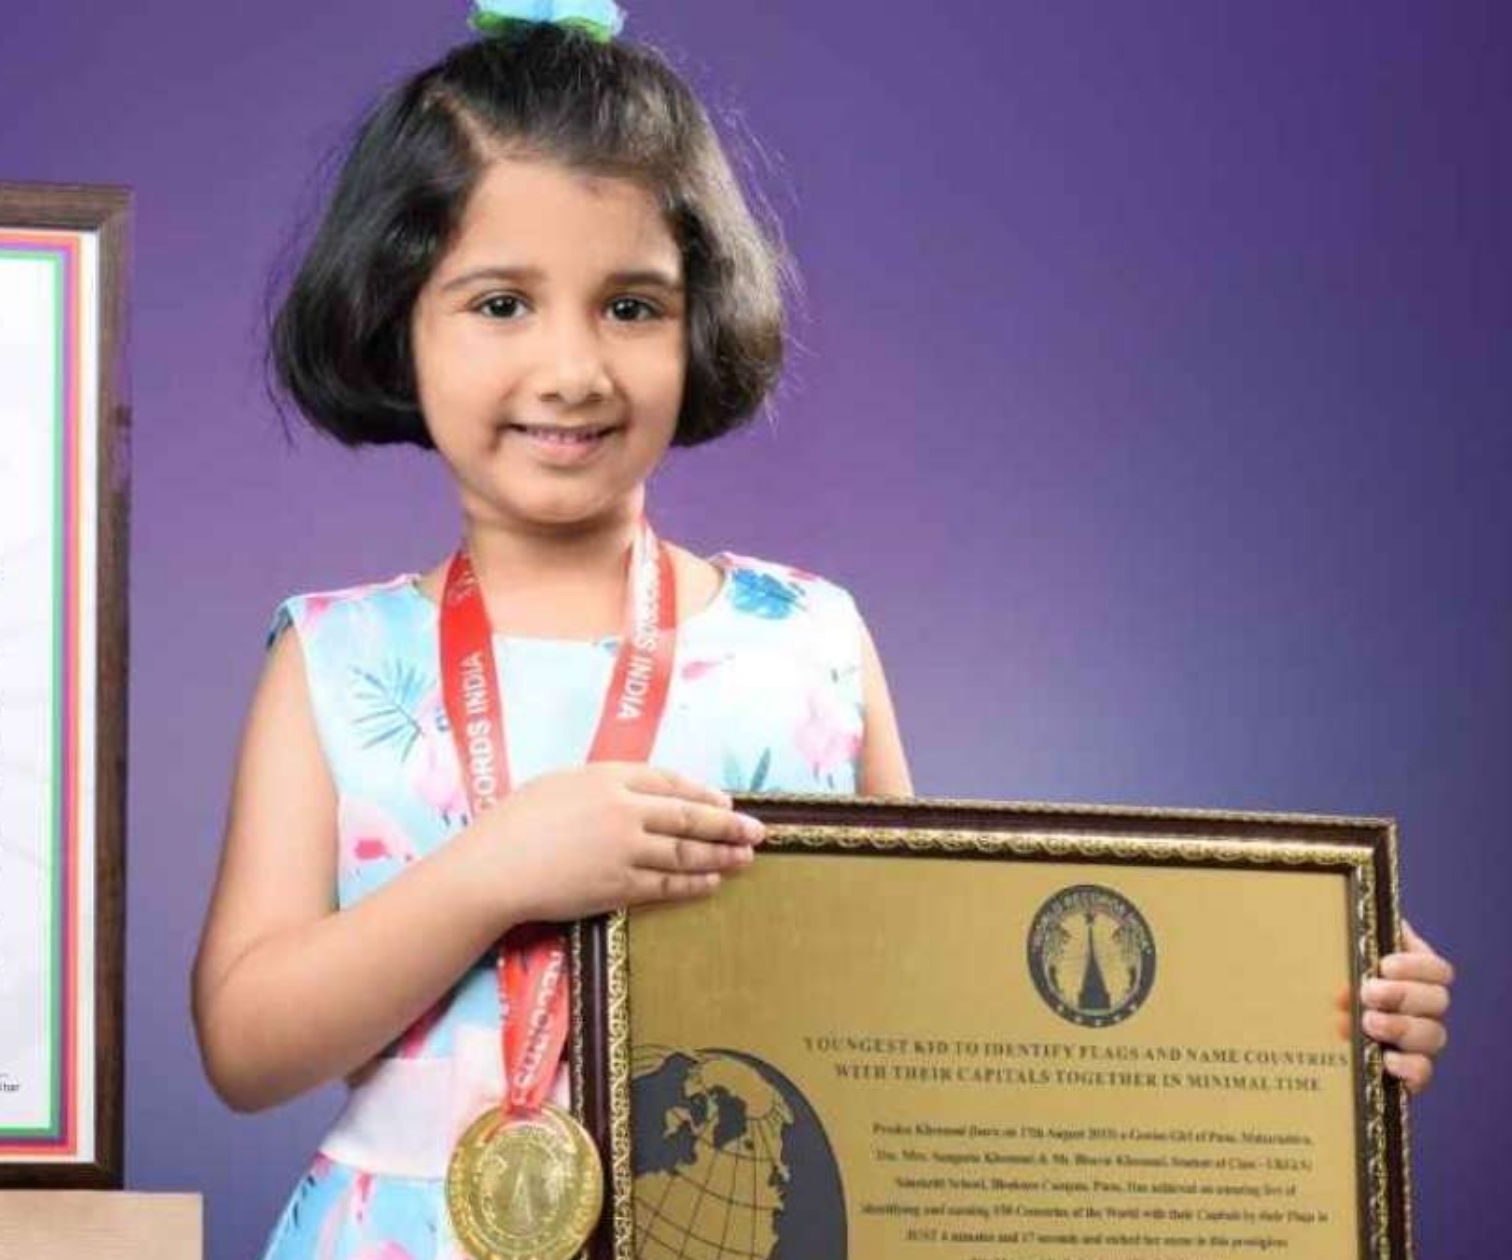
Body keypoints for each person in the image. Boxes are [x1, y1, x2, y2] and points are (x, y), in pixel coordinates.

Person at [191, 5, 1453, 1257]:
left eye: (631, 306)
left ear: (703, 318)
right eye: (499, 303)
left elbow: (929, 1015)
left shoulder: (807, 644)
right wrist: (492, 871)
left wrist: (1300, 1019)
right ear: (393, 316)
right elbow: (246, 1048)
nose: (571, 367)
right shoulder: (331, 657)